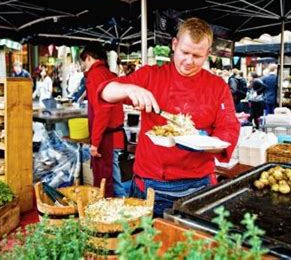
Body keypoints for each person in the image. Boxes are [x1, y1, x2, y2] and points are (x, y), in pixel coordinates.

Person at [99, 17, 240, 217]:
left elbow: (229, 129)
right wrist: (128, 89)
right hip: (151, 184)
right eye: (185, 52)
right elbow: (105, 91)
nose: (189, 61)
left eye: (197, 56)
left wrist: (209, 142)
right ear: (174, 45)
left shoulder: (217, 86)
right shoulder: (151, 76)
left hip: (198, 185)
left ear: (208, 54)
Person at [80, 44, 126, 198]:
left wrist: (95, 142)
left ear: (89, 58)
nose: (84, 65)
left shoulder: (94, 75)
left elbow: (102, 111)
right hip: (114, 134)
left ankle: (124, 212)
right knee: (113, 177)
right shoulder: (110, 74)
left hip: (107, 137)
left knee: (109, 181)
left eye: (84, 61)